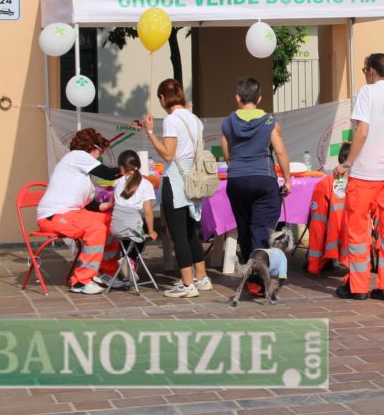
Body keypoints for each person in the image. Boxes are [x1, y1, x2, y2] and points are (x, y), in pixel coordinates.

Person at [333, 53, 384, 302]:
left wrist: (347, 163)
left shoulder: (367, 93)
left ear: (370, 71)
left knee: (358, 231)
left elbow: (362, 131)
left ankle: (358, 287)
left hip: (367, 174)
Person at [220, 77, 292, 295]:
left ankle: (251, 277)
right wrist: (287, 179)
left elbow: (227, 154)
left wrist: (238, 167)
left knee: (244, 229)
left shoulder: (228, 122)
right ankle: (258, 280)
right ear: (259, 98)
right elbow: (280, 151)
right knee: (261, 230)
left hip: (237, 181)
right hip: (263, 180)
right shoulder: (269, 122)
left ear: (237, 98)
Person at [142, 79, 211, 298]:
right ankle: (202, 278)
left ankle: (187, 284)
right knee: (190, 232)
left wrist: (150, 132)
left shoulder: (171, 120)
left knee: (178, 235)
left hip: (175, 181)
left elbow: (168, 154)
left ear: (163, 98)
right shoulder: (195, 119)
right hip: (193, 180)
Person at [36, 127, 124, 295]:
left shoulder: (82, 173)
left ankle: (106, 271)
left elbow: (89, 205)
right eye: (100, 151)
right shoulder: (77, 155)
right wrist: (131, 168)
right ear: (93, 147)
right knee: (95, 229)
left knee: (111, 221)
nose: (100, 155)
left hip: (72, 213)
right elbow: (109, 174)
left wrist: (106, 206)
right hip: (53, 216)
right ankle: (81, 281)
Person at [306, 143, 351, 275]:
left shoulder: (325, 183)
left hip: (334, 240)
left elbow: (317, 226)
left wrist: (314, 265)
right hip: (356, 254)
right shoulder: (366, 184)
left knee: (316, 222)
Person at [108, 150, 158, 247]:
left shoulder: (117, 182)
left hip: (115, 229)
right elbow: (148, 212)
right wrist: (151, 231)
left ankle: (126, 255)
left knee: (126, 234)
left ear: (121, 168)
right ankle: (132, 256)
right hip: (134, 230)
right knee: (142, 231)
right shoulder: (146, 184)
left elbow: (113, 203)